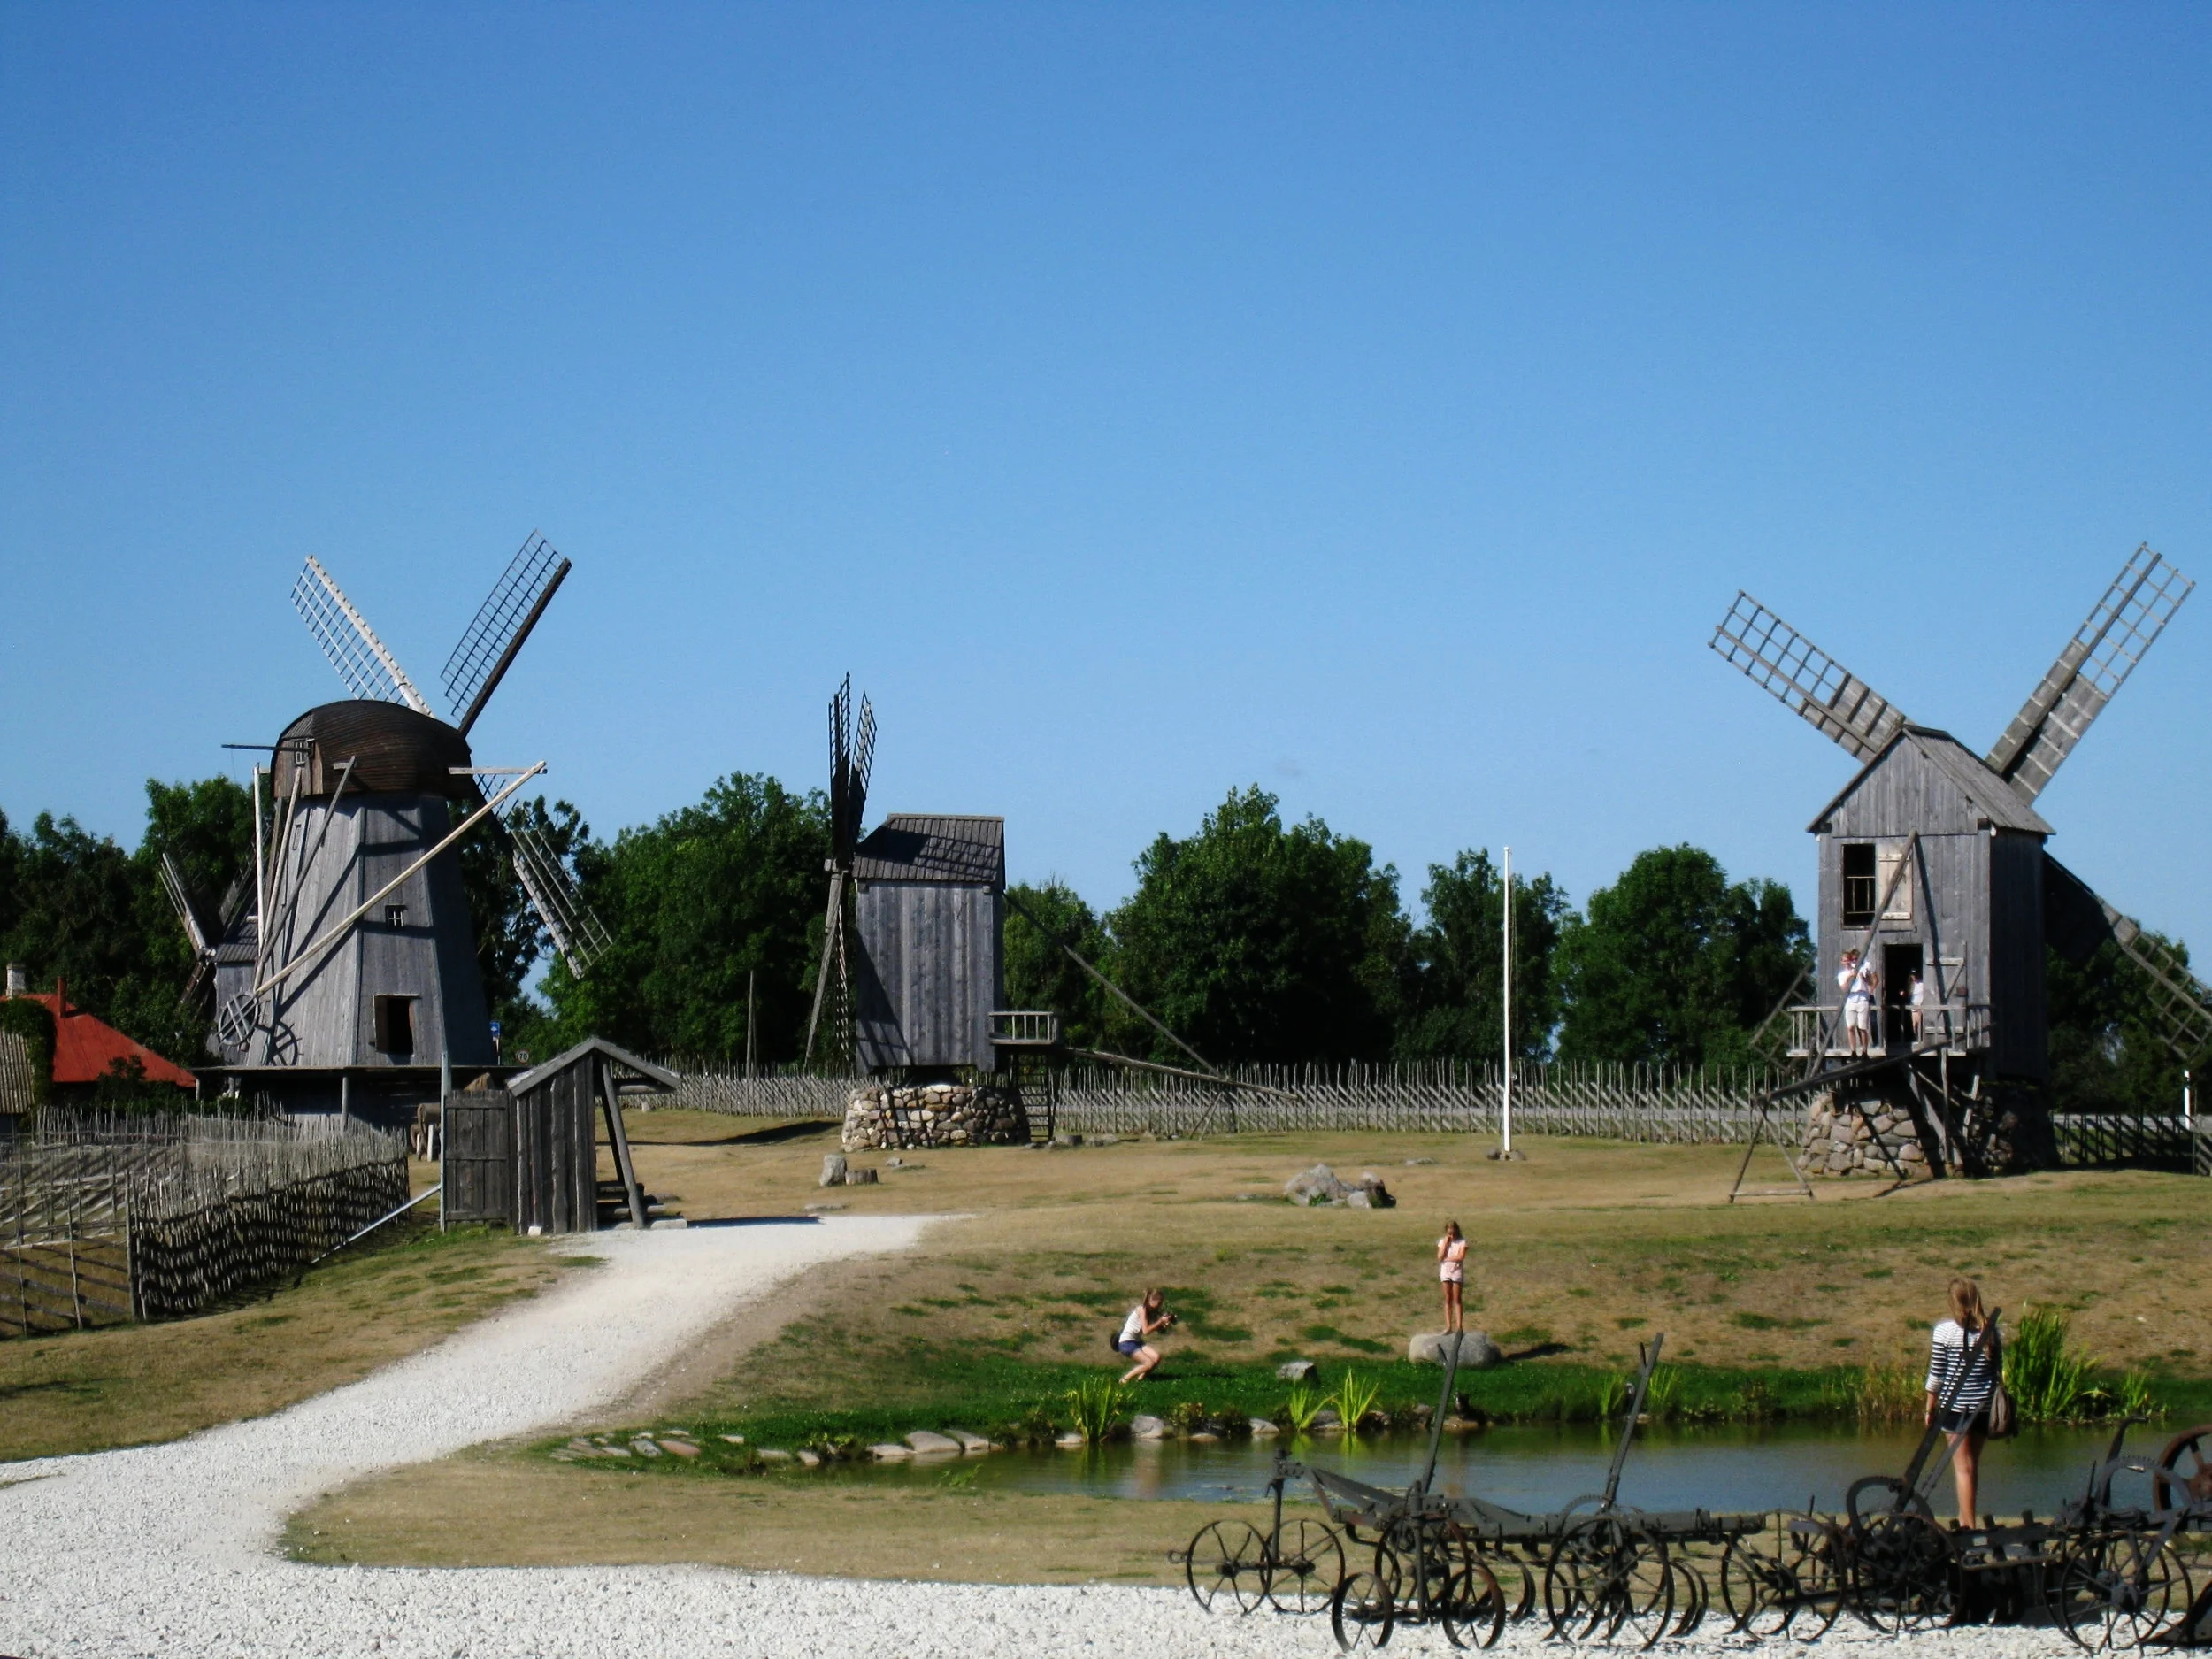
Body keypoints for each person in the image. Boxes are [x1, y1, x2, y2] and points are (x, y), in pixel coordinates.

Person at [1924, 1277, 2001, 1528]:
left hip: (1955, 1409)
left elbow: (1937, 1374)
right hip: (1983, 1408)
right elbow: (1995, 1372)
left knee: (1962, 1469)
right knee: (1972, 1467)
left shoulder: (1944, 1331)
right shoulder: (1991, 1331)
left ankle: (1968, 1524)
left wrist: (1929, 1406)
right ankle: (1965, 1517)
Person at [1116, 1288, 1176, 1384]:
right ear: (1152, 1301)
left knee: (1156, 1357)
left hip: (1136, 1341)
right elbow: (1146, 1331)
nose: (1160, 1306)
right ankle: (1124, 1380)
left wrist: (1164, 1324)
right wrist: (1160, 1321)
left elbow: (1159, 1330)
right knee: (1149, 1363)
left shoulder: (1150, 1312)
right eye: (1159, 1303)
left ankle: (1140, 1381)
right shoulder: (1142, 1309)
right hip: (1126, 1342)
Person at [1839, 950, 1879, 1056]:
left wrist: (1867, 985)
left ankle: (1865, 1050)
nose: (1852, 962)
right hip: (1850, 999)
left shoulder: (1863, 967)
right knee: (1851, 1026)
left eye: (1855, 959)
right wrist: (1850, 976)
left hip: (1863, 998)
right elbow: (1844, 988)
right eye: (1851, 960)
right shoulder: (1843, 974)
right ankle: (1853, 1051)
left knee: (1863, 1026)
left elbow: (1872, 980)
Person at [1437, 1221, 1469, 1333]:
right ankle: (1449, 1326)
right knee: (1447, 1299)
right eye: (1449, 1232)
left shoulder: (1462, 1242)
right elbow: (1440, 1256)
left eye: (1453, 1232)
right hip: (1445, 1271)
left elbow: (1461, 1257)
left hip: (1456, 1271)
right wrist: (1446, 1243)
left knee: (1457, 1299)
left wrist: (1447, 1258)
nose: (1452, 1235)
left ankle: (1459, 1326)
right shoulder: (1443, 1242)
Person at [1909, 970, 1926, 1045]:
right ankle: (1916, 1038)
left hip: (1921, 1006)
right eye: (1912, 975)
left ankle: (1921, 1039)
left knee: (1920, 1023)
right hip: (1913, 1006)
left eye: (1915, 975)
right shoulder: (1910, 984)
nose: (1914, 976)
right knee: (1914, 1024)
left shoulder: (1922, 984)